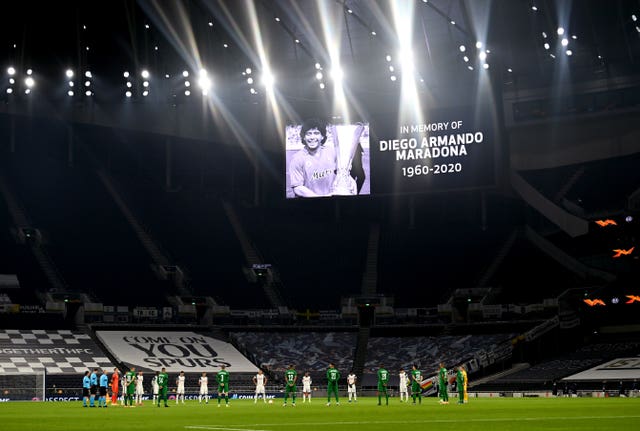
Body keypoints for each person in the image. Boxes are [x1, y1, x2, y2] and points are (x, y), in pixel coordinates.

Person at [289, 119, 336, 198]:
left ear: (322, 137)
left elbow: (341, 173)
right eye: (308, 134)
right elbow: (297, 187)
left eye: (316, 133)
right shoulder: (297, 158)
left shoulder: (331, 152)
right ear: (304, 137)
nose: (312, 137)